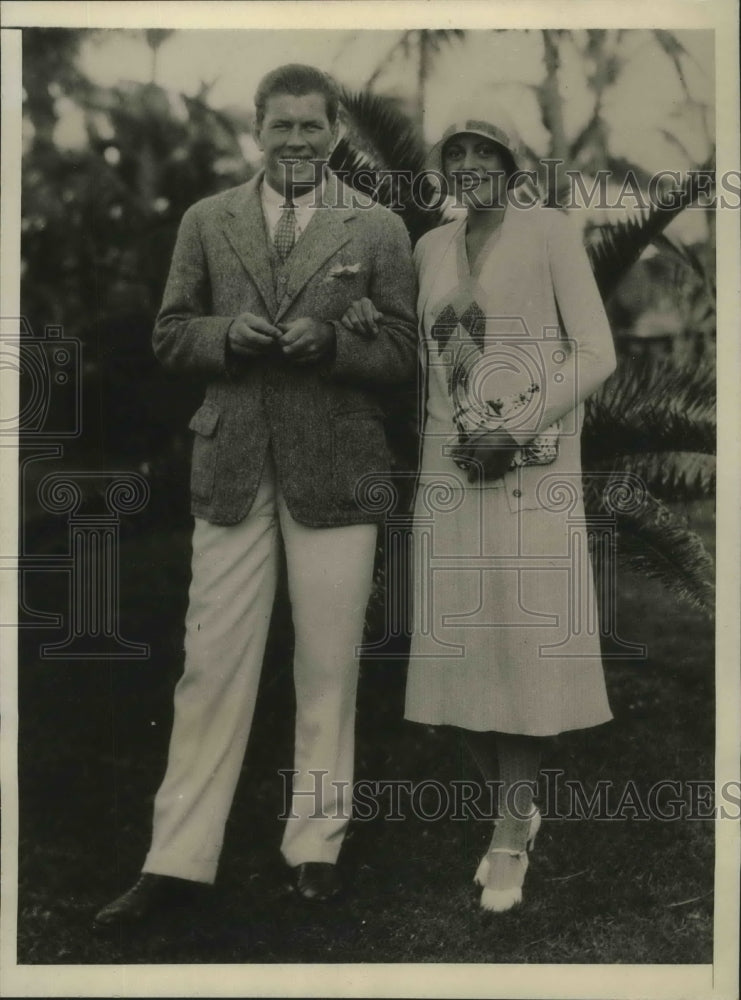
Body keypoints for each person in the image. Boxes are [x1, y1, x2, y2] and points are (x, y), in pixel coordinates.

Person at [94, 64, 417, 928]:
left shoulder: (378, 228)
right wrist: (222, 335)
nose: (298, 143)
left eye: (313, 127)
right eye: (283, 127)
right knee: (210, 667)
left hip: (338, 467)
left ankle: (315, 848)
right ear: (257, 130)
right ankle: (175, 859)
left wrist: (337, 346)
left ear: (336, 131)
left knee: (326, 667)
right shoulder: (208, 220)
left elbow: (403, 355)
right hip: (232, 465)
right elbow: (168, 333)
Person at [340, 107, 616, 913]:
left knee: (521, 648)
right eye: (454, 153)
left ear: (511, 163)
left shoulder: (549, 233)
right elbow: (418, 361)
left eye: (483, 152)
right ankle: (520, 808)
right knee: (456, 656)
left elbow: (596, 354)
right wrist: (364, 326)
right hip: (450, 474)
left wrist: (516, 429)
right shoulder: (428, 249)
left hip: (530, 473)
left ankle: (506, 832)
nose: (468, 164)